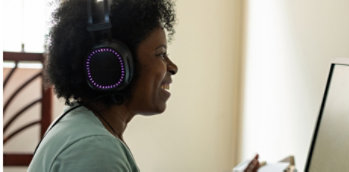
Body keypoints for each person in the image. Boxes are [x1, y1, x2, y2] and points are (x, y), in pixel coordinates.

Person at [28, 0, 260, 171]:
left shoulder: (84, 129)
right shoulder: (93, 149)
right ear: (111, 65)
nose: (173, 67)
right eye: (160, 54)